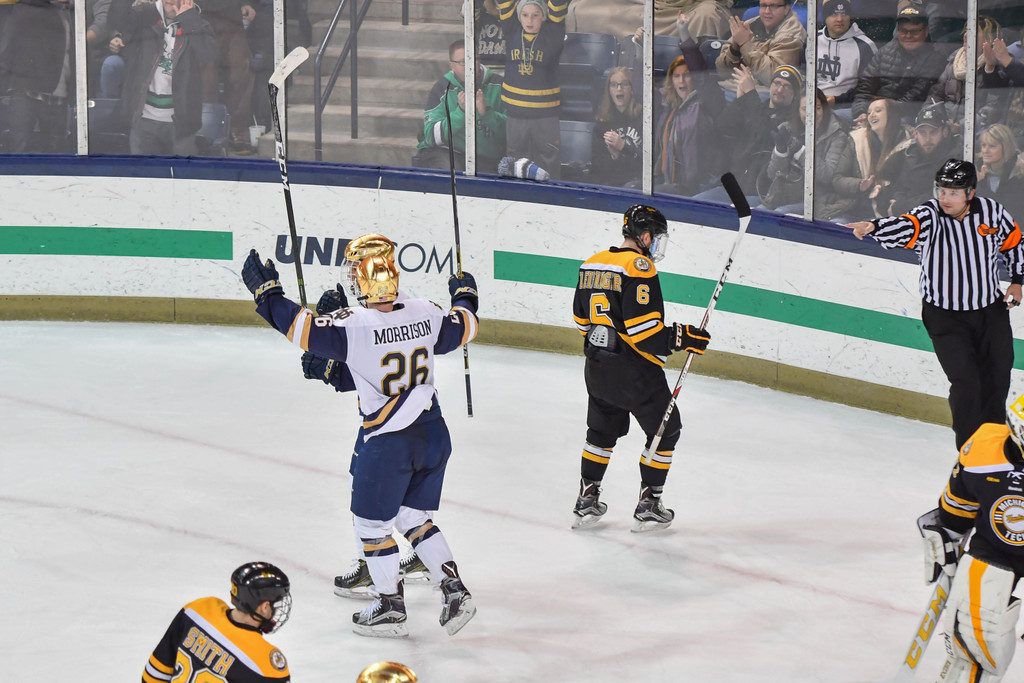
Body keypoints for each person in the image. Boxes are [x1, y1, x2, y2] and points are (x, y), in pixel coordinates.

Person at [240, 244, 480, 638]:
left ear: (364, 287)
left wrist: (267, 293)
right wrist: (465, 295)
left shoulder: (355, 325)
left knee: (372, 526)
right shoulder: (426, 310)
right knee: (413, 518)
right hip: (433, 432)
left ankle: (390, 607)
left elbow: (299, 329)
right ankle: (454, 590)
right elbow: (464, 326)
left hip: (389, 441)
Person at [846, 159, 1024, 450]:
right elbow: (907, 226)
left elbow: (1014, 242)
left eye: (953, 192)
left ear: (970, 193)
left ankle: (992, 447)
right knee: (966, 382)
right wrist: (874, 227)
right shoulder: (930, 214)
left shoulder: (992, 212)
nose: (945, 198)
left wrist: (1017, 280)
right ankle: (968, 450)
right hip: (945, 317)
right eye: (941, 190)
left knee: (997, 376)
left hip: (989, 311)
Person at [297, 235, 432, 597]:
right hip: (404, 416)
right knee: (388, 489)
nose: (352, 272)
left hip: (391, 421)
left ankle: (376, 569)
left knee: (371, 491)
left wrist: (328, 363)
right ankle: (419, 555)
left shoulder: (383, 312)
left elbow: (367, 366)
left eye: (357, 265)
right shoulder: (393, 304)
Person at [571, 205, 711, 532]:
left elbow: (581, 321)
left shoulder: (591, 263)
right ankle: (649, 504)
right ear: (645, 236)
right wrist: (683, 337)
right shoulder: (639, 267)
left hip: (597, 365)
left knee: (601, 432)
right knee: (666, 428)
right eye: (656, 237)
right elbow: (644, 333)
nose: (656, 243)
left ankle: (586, 500)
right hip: (634, 371)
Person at [914, 393, 1024, 682]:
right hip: (995, 549)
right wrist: (946, 535)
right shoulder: (985, 449)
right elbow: (957, 508)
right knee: (975, 634)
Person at [142, 561, 291, 683]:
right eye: (276, 604)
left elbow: (154, 674)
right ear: (264, 607)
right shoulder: (265, 664)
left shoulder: (198, 610)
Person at [111, 0, 217, 156]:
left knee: (182, 171)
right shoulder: (144, 15)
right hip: (143, 118)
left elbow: (207, 54)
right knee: (144, 171)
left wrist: (188, 19)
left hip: (181, 123)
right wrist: (116, 36)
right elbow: (117, 21)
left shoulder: (199, 23)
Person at [756, 87, 866, 221]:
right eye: (805, 109)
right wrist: (781, 151)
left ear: (824, 109)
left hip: (819, 199)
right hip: (787, 195)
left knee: (780, 215)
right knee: (758, 213)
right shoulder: (787, 128)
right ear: (798, 110)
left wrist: (800, 151)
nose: (812, 113)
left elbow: (827, 176)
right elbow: (773, 175)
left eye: (817, 108)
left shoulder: (838, 134)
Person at [696, 62, 800, 205]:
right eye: (777, 83)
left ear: (795, 94)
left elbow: (765, 134)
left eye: (787, 86)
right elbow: (722, 128)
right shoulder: (756, 107)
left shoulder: (792, 121)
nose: (780, 89)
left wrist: (750, 94)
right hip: (733, 185)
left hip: (759, 192)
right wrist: (740, 100)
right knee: (695, 205)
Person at [495, 0, 571, 180]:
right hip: (515, 114)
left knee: (549, 161)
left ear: (543, 16)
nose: (529, 20)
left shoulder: (553, 33)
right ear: (518, 16)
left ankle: (551, 196)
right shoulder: (512, 29)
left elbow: (558, 6)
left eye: (535, 15)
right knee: (516, 163)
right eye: (525, 15)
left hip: (545, 115)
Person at [653, 16, 726, 197]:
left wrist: (684, 35)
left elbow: (702, 77)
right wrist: (640, 51)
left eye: (686, 75)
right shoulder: (667, 106)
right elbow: (641, 92)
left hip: (698, 185)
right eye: (676, 76)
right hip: (667, 181)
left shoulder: (707, 102)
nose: (681, 81)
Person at [414, 39, 507, 174]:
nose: (470, 66)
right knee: (450, 173)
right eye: (463, 62)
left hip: (487, 158)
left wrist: (487, 114)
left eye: (473, 59)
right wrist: (461, 112)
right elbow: (430, 136)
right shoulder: (442, 88)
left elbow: (512, 132)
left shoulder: (499, 86)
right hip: (448, 151)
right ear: (452, 65)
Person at [850, 0, 947, 125]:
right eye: (903, 31)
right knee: (838, 116)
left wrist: (879, 115)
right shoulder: (885, 51)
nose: (908, 36)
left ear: (926, 32)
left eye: (914, 31)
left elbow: (914, 99)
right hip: (871, 112)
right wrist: (861, 112)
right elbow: (864, 87)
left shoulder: (935, 59)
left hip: (904, 116)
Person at [0, 0, 75, 154]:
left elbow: (73, 56)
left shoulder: (73, 14)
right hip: (24, 90)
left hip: (58, 94)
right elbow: (6, 51)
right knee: (18, 150)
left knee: (56, 153)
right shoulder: (26, 9)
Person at [870, 101, 959, 217]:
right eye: (923, 133)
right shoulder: (908, 155)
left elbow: (942, 198)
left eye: (933, 132)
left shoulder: (955, 158)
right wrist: (882, 195)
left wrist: (901, 207)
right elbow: (898, 190)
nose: (927, 139)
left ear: (945, 132)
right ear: (916, 134)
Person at [927, 15, 1008, 134]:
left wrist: (960, 127)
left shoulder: (997, 67)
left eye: (972, 31)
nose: (965, 35)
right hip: (943, 129)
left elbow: (992, 110)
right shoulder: (954, 62)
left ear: (989, 38)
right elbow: (935, 96)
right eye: (966, 30)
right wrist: (931, 120)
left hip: (976, 135)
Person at [199, 0, 257, 154]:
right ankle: (208, 130)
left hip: (232, 19)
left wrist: (246, 3)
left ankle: (237, 130)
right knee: (206, 79)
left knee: (241, 70)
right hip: (200, 19)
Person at [714, 0, 806, 88]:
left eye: (773, 6)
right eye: (763, 5)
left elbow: (775, 78)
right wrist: (734, 49)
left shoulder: (791, 35)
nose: (767, 11)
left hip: (766, 94)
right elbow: (722, 72)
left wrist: (745, 44)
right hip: (734, 87)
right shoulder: (749, 24)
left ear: (786, 9)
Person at [815, 0, 877, 113]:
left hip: (846, 107)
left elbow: (867, 88)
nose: (840, 19)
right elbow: (803, 74)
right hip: (812, 103)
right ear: (825, 17)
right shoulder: (812, 40)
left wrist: (837, 100)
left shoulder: (865, 46)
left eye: (844, 14)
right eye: (834, 14)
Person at [589, 66, 642, 188]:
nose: (619, 89)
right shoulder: (602, 122)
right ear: (609, 90)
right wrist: (615, 157)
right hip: (610, 184)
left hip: (637, 184)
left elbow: (648, 163)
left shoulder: (644, 118)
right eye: (614, 85)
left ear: (632, 88)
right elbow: (597, 166)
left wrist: (623, 147)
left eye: (624, 84)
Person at [849, 97, 906, 187]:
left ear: (892, 114)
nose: (871, 115)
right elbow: (839, 177)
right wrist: (859, 186)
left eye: (878, 111)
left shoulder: (909, 144)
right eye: (869, 113)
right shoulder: (856, 140)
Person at [977, 123, 1024, 224]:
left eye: (992, 146)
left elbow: (1007, 213)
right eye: (984, 145)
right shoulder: (977, 170)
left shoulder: (1019, 174)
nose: (985, 150)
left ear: (1006, 147)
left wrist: (979, 186)